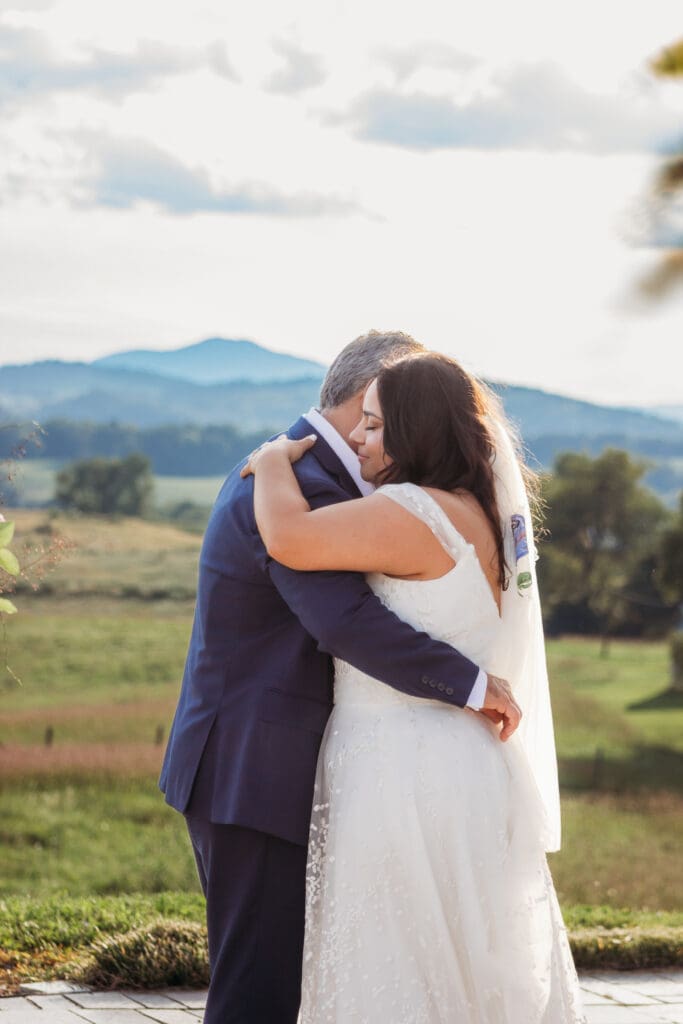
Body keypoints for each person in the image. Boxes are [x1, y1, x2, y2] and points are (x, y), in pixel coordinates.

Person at [159, 331, 520, 1024]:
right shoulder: (293, 484)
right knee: (258, 991)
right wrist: (473, 685)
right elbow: (344, 621)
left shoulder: (317, 480)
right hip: (252, 772)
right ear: (373, 394)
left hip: (308, 768)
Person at [243, 351, 586, 1023]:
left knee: (399, 962)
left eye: (373, 425)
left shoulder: (411, 511)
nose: (359, 440)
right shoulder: (479, 511)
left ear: (413, 429)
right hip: (467, 766)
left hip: (401, 769)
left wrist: (273, 461)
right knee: (463, 966)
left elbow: (289, 537)